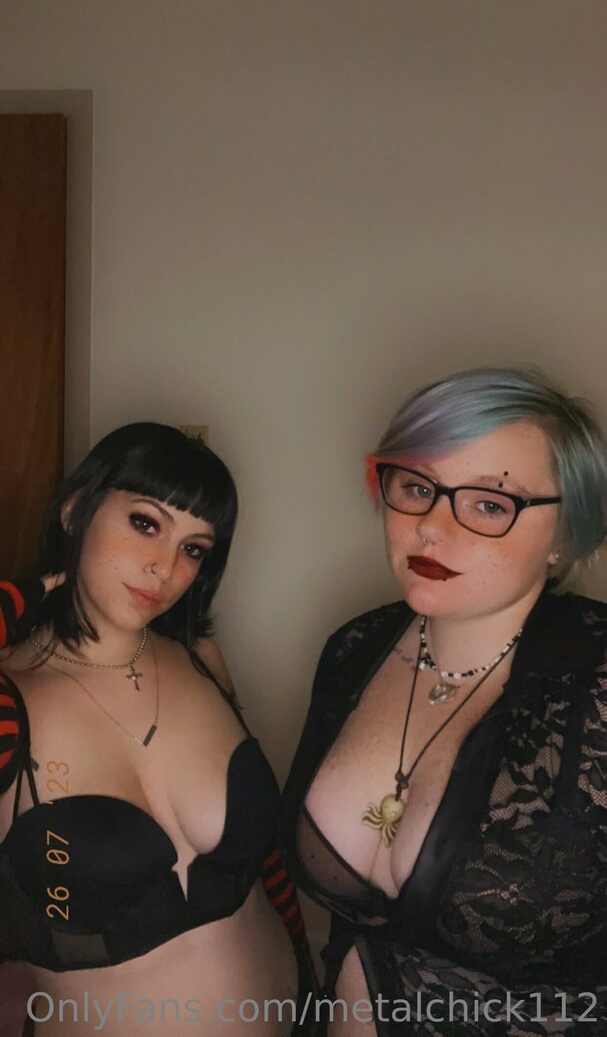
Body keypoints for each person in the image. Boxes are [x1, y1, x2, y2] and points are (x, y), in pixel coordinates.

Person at [281, 366, 607, 1035]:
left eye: (490, 503)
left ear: (564, 535)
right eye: (417, 487)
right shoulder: (353, 650)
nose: (430, 527)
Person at [0, 423, 313, 1036]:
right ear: (75, 511)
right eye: (146, 523)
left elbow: (268, 869)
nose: (165, 567)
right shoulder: (12, 699)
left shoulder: (200, 659)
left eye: (194, 549)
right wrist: (31, 589)